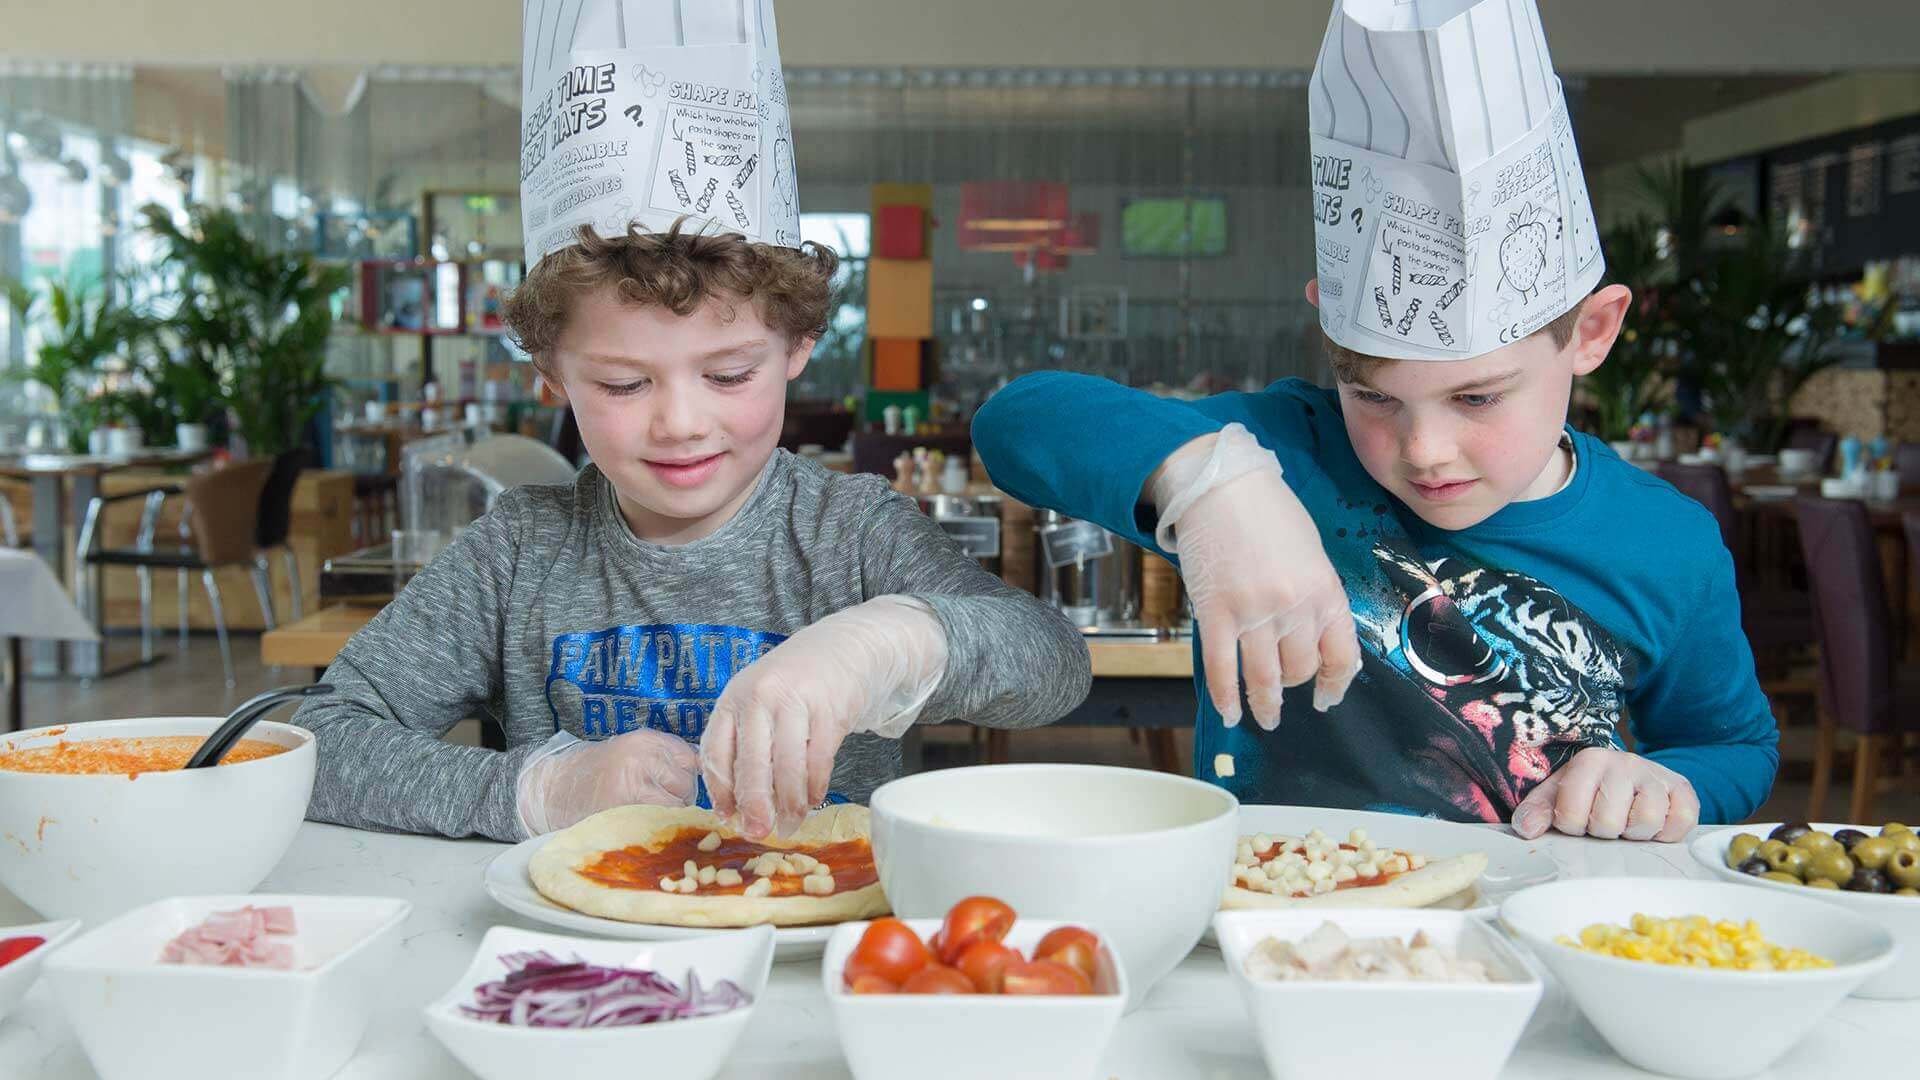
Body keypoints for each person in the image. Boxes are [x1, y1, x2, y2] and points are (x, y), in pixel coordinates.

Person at [971, 0, 1775, 842]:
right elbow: (1018, 422)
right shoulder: (1286, 451)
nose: (1424, 451)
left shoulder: (1668, 542)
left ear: (1593, 333)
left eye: (1477, 398)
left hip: (1534, 916)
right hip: (1281, 911)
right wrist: (1213, 485)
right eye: (1375, 396)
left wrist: (1664, 778)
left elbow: (1735, 745)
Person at [293, 0, 1090, 843]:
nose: (681, 423)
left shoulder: (849, 536)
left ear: (798, 347)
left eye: (729, 373)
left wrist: (889, 641)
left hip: (810, 945)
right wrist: (537, 791)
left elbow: (1053, 665)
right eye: (625, 384)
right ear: (551, 376)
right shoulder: (522, 552)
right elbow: (316, 744)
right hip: (575, 947)